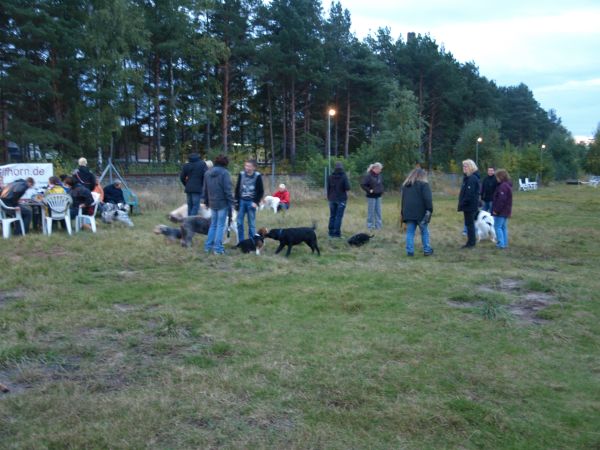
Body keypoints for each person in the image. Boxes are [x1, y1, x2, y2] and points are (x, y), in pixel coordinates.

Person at [201, 154, 234, 255]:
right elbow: (228, 190)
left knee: (213, 225)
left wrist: (206, 202)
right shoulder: (225, 173)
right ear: (225, 163)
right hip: (222, 203)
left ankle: (208, 247)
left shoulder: (207, 173)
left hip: (212, 203)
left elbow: (205, 189)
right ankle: (218, 249)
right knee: (220, 226)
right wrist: (231, 203)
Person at [401, 168, 434, 257]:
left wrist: (403, 213)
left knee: (410, 232)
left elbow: (403, 200)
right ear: (422, 176)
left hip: (408, 213)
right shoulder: (424, 185)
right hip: (421, 213)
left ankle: (410, 251)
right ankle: (427, 250)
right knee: (424, 232)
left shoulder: (405, 186)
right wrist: (430, 210)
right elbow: (428, 199)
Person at [235, 159, 264, 241]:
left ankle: (252, 241)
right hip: (242, 201)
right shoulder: (241, 174)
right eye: (246, 166)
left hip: (251, 202)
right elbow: (237, 189)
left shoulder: (257, 176)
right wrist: (236, 201)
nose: (247, 167)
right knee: (239, 222)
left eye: (249, 166)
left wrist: (256, 202)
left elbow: (261, 191)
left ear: (254, 167)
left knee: (251, 224)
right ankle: (241, 241)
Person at [458, 159, 480, 248]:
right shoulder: (468, 178)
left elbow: (469, 194)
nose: (464, 168)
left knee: (470, 225)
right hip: (468, 206)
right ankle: (470, 242)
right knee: (469, 224)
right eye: (463, 166)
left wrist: (463, 203)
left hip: (470, 206)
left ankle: (471, 243)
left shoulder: (472, 178)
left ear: (470, 167)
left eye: (465, 166)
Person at [327, 161, 351, 238]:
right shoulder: (344, 176)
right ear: (342, 168)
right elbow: (347, 188)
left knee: (332, 216)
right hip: (341, 199)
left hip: (331, 198)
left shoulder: (330, 176)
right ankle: (336, 234)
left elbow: (328, 188)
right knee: (338, 217)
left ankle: (330, 233)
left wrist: (329, 197)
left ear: (335, 168)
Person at [492, 169, 513, 249]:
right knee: (503, 227)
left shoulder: (503, 186)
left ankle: (500, 244)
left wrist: (496, 210)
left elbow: (501, 200)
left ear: (501, 177)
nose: (496, 178)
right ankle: (505, 243)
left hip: (501, 211)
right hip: (506, 210)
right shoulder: (507, 185)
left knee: (497, 227)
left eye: (497, 177)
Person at [360, 162, 384, 230]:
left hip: (379, 196)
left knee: (378, 212)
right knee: (371, 212)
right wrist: (369, 190)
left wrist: (381, 190)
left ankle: (378, 226)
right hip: (371, 197)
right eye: (380, 169)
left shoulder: (379, 175)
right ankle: (370, 226)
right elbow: (363, 184)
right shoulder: (368, 176)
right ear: (375, 168)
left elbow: (380, 184)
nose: (380, 170)